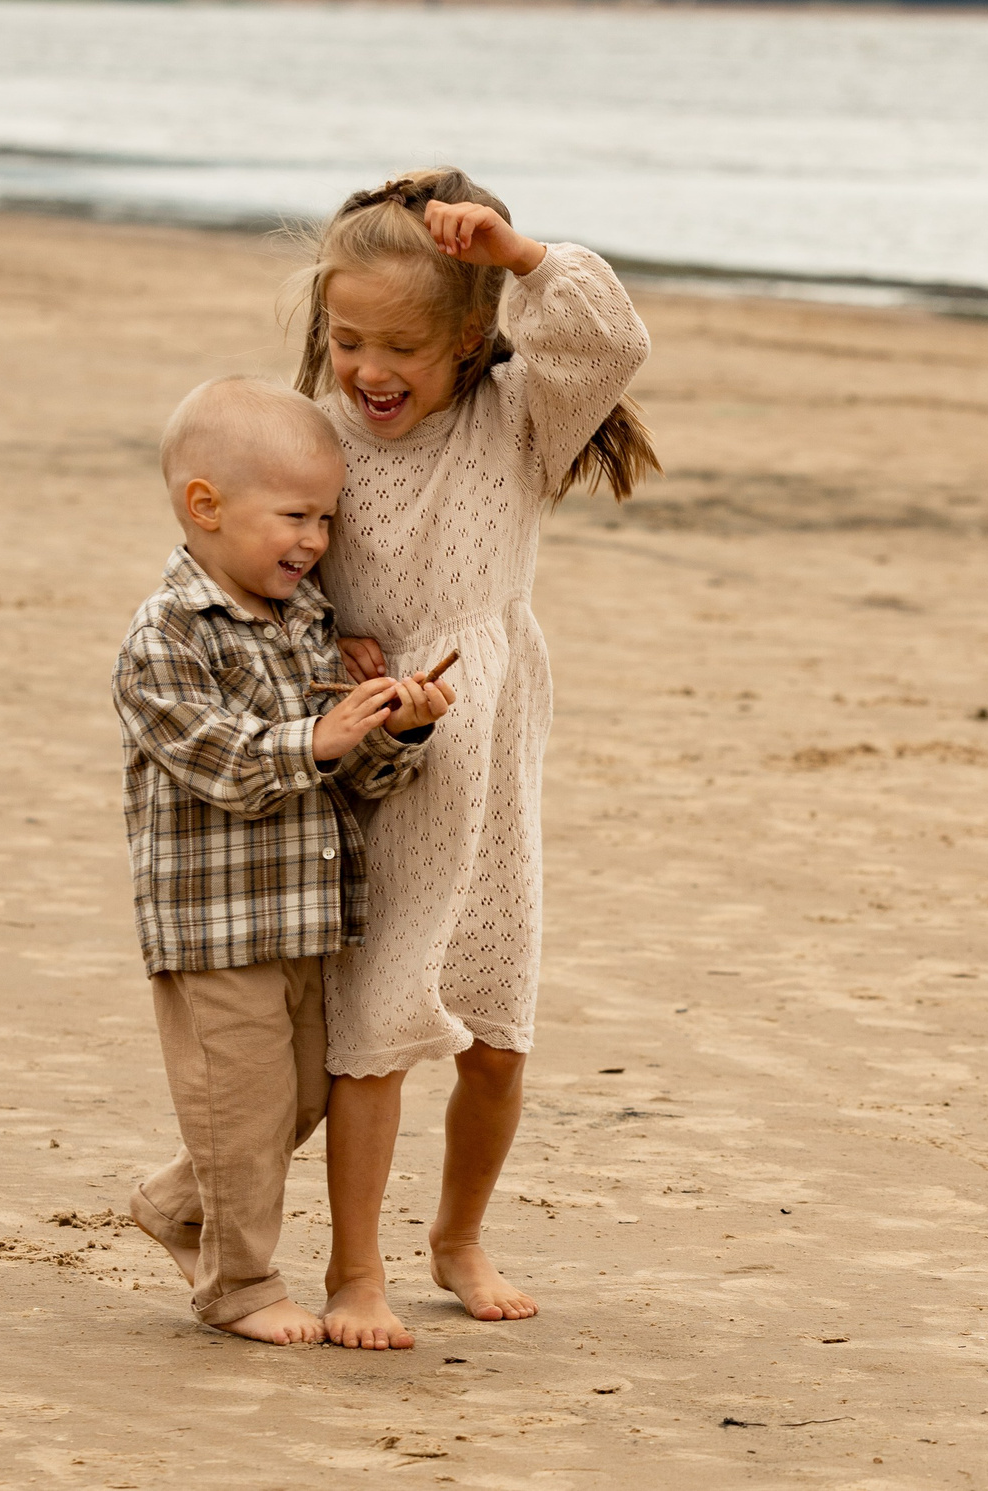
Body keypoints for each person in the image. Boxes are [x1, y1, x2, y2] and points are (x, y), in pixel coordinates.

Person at [290, 168, 655, 1351]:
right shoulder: (317, 438)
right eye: (349, 340)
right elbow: (245, 558)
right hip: (376, 756)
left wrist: (517, 254)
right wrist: (321, 634)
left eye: (402, 344)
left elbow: (610, 337)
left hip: (489, 754)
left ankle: (458, 1235)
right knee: (377, 1025)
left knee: (496, 1030)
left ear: (468, 342)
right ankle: (356, 1271)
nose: (370, 370)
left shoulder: (518, 424)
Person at [113, 374, 458, 1344]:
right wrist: (319, 737)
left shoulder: (305, 621)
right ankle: (238, 1284)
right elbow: (219, 762)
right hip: (215, 925)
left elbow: (353, 779)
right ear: (206, 506)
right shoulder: (167, 635)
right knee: (244, 1102)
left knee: (298, 1097)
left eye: (327, 519)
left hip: (306, 915)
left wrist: (396, 731)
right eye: (296, 516)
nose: (315, 541)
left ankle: (182, 1203)